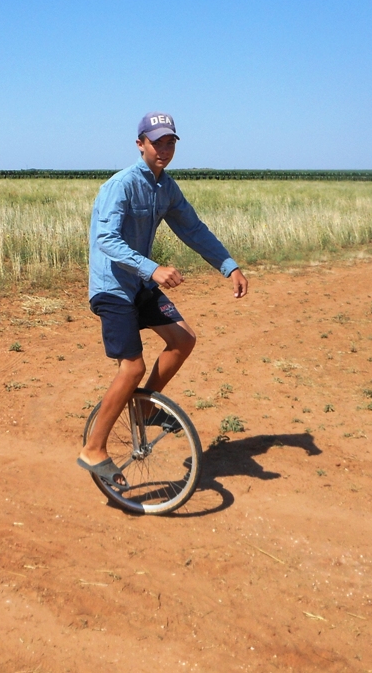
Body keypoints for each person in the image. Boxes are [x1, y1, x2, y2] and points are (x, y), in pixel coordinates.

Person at [77, 111, 248, 489]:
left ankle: (141, 406)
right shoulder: (120, 186)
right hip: (112, 286)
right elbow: (105, 240)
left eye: (170, 142)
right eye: (157, 142)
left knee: (184, 339)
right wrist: (152, 268)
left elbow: (193, 229)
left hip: (139, 283)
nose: (164, 149)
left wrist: (229, 266)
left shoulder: (165, 187)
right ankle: (93, 448)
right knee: (132, 368)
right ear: (140, 144)